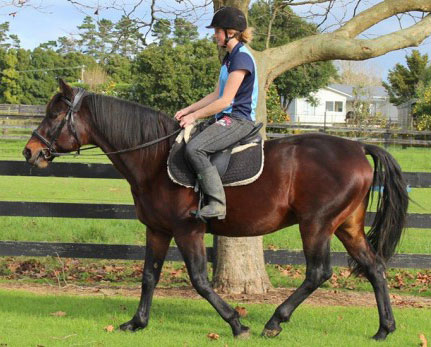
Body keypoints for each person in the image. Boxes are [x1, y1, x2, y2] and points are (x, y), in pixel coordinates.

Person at [175, 6, 258, 220]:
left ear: (230, 32)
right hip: (226, 117)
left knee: (195, 149)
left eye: (217, 31)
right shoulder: (229, 59)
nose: (214, 35)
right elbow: (215, 94)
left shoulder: (242, 59)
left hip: (239, 120)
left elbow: (225, 101)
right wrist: (188, 109)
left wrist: (194, 117)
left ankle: (218, 204)